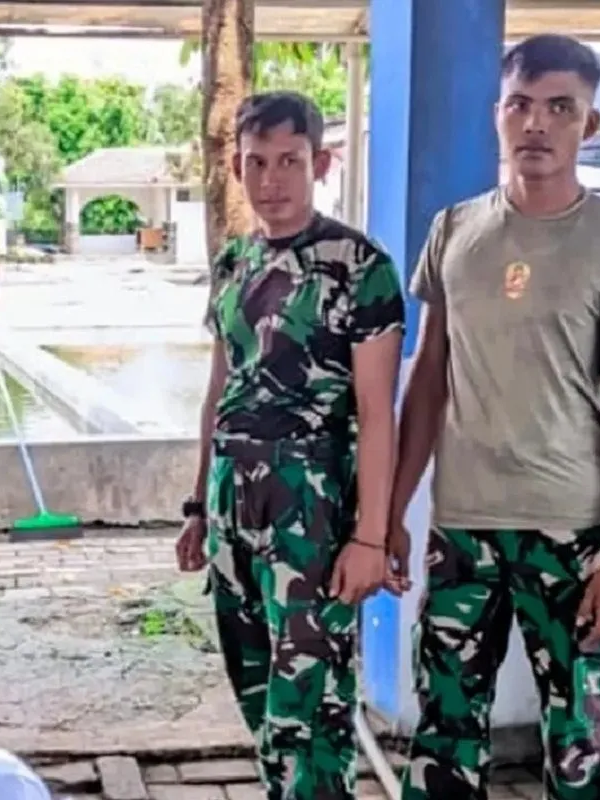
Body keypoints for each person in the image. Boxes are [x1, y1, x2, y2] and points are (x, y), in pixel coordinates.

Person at [388, 35, 600, 800]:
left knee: (582, 745)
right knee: (444, 738)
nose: (537, 124)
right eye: (520, 105)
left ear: (590, 124)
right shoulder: (454, 231)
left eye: (560, 108)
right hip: (462, 532)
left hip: (571, 535)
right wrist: (391, 514)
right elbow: (427, 381)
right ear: (498, 114)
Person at [174, 90, 406, 800]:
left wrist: (370, 538)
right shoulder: (233, 263)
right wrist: (197, 507)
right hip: (232, 503)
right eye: (256, 162)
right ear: (235, 167)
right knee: (257, 693)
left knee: (310, 702)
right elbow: (219, 391)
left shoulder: (358, 264)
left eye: (289, 161)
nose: (270, 179)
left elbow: (378, 413)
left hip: (312, 507)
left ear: (320, 163)